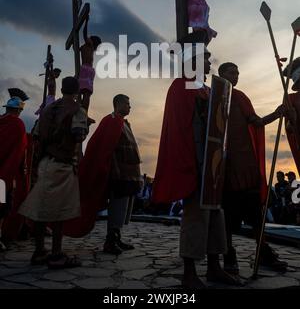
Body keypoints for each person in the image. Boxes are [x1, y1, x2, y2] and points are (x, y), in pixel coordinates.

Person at [152, 48, 238, 289]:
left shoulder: (208, 90)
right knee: (195, 217)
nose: (210, 64)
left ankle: (214, 267)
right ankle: (189, 272)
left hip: (212, 166)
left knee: (215, 215)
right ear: (194, 62)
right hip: (195, 163)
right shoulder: (181, 87)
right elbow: (182, 129)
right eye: (207, 60)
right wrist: (193, 163)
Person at [218, 62, 287, 274]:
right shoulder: (213, 97)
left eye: (238, 72)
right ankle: (228, 255)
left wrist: (277, 114)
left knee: (256, 215)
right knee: (228, 215)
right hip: (226, 167)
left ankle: (263, 252)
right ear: (221, 74)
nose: (236, 75)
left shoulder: (240, 97)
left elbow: (256, 122)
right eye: (232, 71)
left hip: (246, 163)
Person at [19, 77, 88, 268]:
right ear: (77, 92)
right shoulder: (77, 110)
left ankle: (39, 251)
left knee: (41, 209)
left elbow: (36, 134)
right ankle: (56, 255)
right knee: (59, 212)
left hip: (44, 163)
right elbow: (79, 134)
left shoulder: (48, 110)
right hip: (62, 165)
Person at [64, 94, 142, 255]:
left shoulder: (123, 122)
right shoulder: (111, 121)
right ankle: (110, 241)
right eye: (127, 104)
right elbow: (106, 148)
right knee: (116, 207)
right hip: (118, 175)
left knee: (122, 208)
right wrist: (113, 171)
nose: (129, 107)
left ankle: (117, 237)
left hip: (128, 175)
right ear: (118, 104)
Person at [0, 97, 27, 250]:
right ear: (18, 110)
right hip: (5, 173)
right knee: (2, 206)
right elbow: (21, 148)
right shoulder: (17, 124)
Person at [79, 17, 101, 112]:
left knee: (85, 92)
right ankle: (83, 111)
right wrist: (86, 21)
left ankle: (83, 112)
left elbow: (84, 35)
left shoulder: (87, 46)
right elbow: (84, 35)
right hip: (87, 69)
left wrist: (86, 22)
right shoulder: (88, 45)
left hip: (85, 69)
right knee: (85, 92)